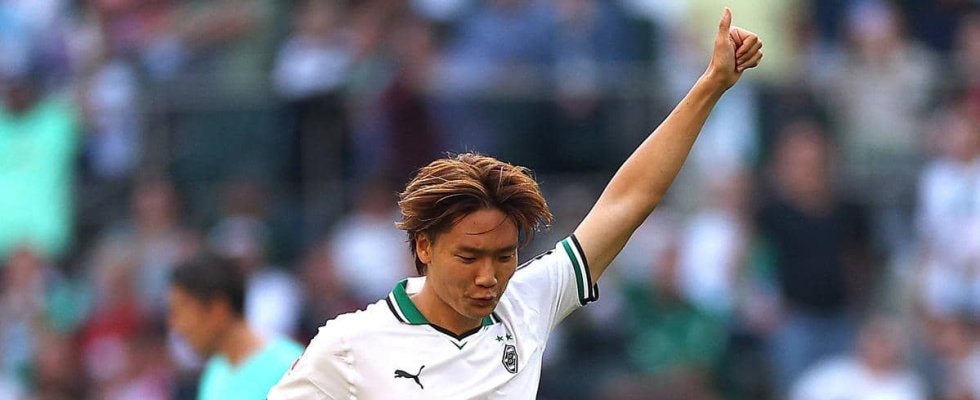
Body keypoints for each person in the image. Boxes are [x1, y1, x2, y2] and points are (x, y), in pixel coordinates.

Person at [269, 8, 762, 398]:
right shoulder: (350, 344)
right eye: (469, 257)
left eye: (503, 257)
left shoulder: (526, 303)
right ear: (424, 247)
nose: (489, 277)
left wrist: (711, 84)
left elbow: (629, 201)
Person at [167, 253, 303, 400]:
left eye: (180, 310)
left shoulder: (291, 369)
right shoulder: (215, 371)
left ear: (217, 309)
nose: (175, 326)